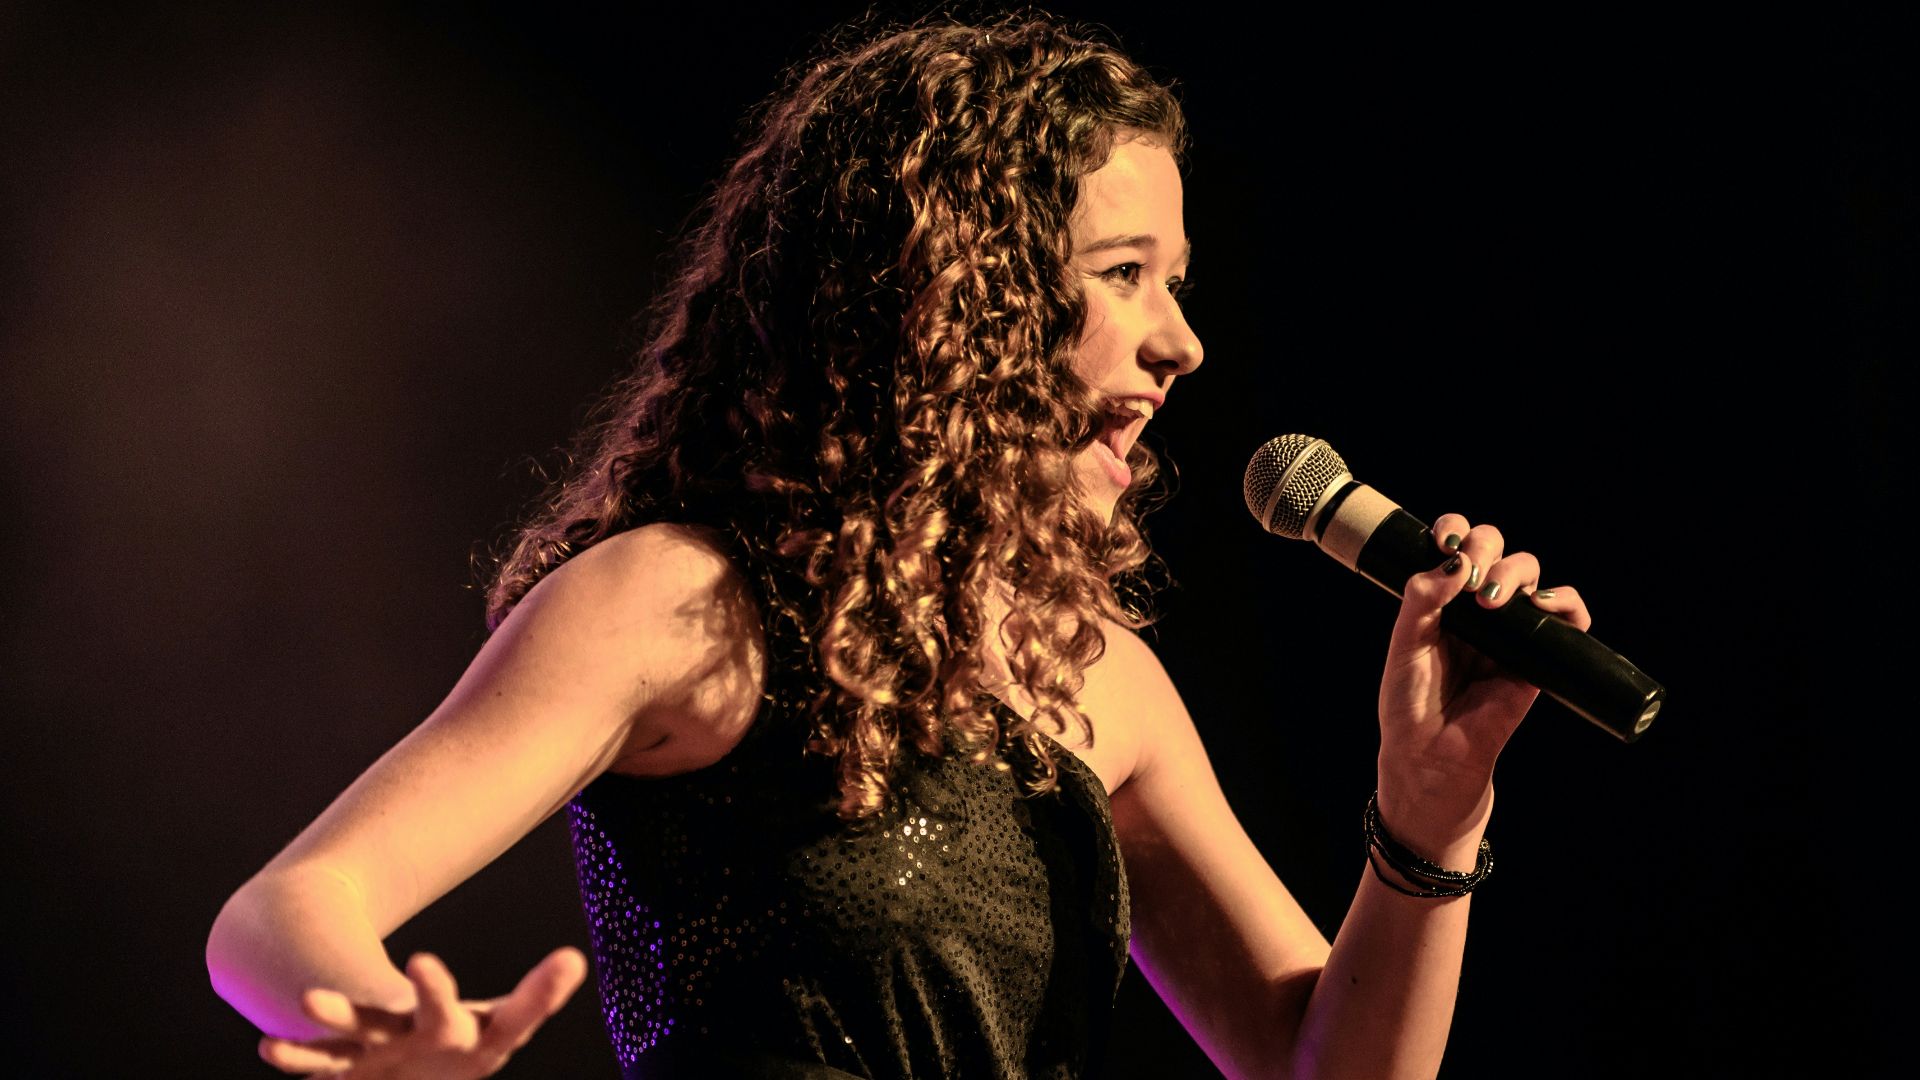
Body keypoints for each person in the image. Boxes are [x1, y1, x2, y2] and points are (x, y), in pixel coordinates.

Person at [206, 14, 1591, 1080]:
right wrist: (384, 1024)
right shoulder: (683, 601)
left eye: (1176, 283)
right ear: (952, 294)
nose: (1181, 343)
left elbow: (1323, 1067)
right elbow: (283, 910)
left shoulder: (1095, 676)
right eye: (1123, 275)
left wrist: (1431, 817)